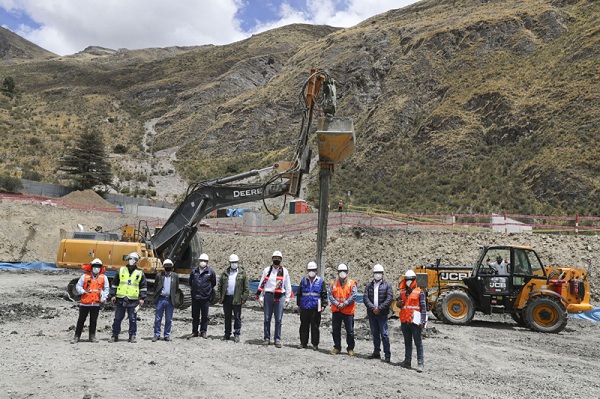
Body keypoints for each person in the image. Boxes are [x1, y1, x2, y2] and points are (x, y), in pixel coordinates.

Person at [256, 250, 292, 348]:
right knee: (267, 318)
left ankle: (277, 339)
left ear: (281, 260)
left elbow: (288, 285)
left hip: (280, 297)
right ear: (272, 259)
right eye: (275, 258)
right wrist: (261, 296)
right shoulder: (267, 270)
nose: (276, 260)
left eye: (278, 258)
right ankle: (266, 338)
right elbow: (262, 283)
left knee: (278, 319)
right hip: (268, 296)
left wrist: (288, 298)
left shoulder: (284, 271)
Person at [110, 252, 148, 343]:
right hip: (121, 299)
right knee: (118, 318)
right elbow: (114, 284)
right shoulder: (121, 270)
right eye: (130, 259)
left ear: (136, 261)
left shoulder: (140, 272)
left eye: (133, 259)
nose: (131, 261)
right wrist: (113, 295)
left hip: (133, 300)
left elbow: (143, 286)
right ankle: (114, 335)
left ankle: (132, 336)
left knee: (132, 319)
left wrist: (142, 298)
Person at [71, 258, 109, 344]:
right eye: (95, 266)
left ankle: (92, 336)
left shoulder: (104, 277)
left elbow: (106, 289)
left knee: (93, 320)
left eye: (98, 266)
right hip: (85, 303)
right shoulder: (84, 276)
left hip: (96, 303)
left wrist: (104, 297)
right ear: (91, 267)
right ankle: (76, 337)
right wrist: (82, 291)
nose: (96, 268)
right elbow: (78, 286)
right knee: (81, 320)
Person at [363, 264, 394, 362]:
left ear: (383, 274)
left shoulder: (387, 285)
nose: (377, 274)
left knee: (384, 334)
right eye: (376, 273)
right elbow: (365, 298)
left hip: (382, 314)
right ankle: (376, 352)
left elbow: (389, 299)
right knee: (375, 333)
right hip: (372, 314)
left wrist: (379, 309)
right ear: (373, 274)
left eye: (379, 273)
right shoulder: (369, 285)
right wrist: (373, 308)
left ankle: (387, 354)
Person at [398, 269, 427, 372]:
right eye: (406, 280)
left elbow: (423, 308)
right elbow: (399, 304)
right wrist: (399, 304)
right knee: (407, 342)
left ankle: (420, 363)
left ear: (414, 280)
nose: (408, 281)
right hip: (405, 321)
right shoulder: (403, 292)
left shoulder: (419, 292)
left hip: (415, 322)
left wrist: (423, 321)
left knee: (418, 343)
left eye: (410, 280)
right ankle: (407, 361)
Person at [217, 254, 249, 343]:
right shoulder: (225, 273)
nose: (234, 264)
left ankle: (237, 334)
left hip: (237, 299)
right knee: (227, 317)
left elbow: (246, 287)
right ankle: (227, 334)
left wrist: (244, 298)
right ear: (229, 263)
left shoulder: (242, 273)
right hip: (227, 298)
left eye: (235, 262)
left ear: (238, 262)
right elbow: (220, 286)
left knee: (237, 317)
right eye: (232, 262)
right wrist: (220, 297)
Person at [296, 261, 327, 350]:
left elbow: (324, 294)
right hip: (304, 306)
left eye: (313, 269)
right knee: (304, 326)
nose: (311, 271)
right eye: (310, 270)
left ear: (316, 270)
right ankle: (303, 343)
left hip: (315, 307)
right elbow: (299, 293)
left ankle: (315, 344)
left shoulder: (320, 281)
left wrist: (324, 305)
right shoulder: (303, 280)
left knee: (315, 326)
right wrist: (299, 305)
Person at [328, 263, 357, 356]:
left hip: (348, 311)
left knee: (350, 331)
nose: (342, 273)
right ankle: (337, 347)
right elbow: (330, 295)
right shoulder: (333, 283)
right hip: (337, 310)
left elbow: (354, 295)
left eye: (344, 271)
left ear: (347, 272)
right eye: (340, 271)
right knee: (336, 330)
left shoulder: (352, 283)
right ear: (337, 272)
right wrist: (337, 304)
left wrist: (344, 304)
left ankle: (350, 348)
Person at [190, 253, 217, 338]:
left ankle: (203, 331)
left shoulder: (210, 272)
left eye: (204, 261)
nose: (203, 262)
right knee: (195, 315)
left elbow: (213, 283)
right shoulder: (194, 272)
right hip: (195, 297)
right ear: (199, 261)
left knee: (205, 316)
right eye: (201, 260)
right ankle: (194, 331)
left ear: (207, 262)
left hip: (205, 298)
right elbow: (191, 282)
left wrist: (207, 291)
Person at [152, 259, 180, 342]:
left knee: (169, 319)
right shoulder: (159, 276)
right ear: (164, 266)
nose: (168, 267)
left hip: (170, 300)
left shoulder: (175, 276)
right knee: (158, 319)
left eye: (169, 265)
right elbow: (155, 287)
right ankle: (156, 334)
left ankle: (167, 335)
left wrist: (175, 299)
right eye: (166, 265)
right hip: (161, 299)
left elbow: (176, 288)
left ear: (172, 266)